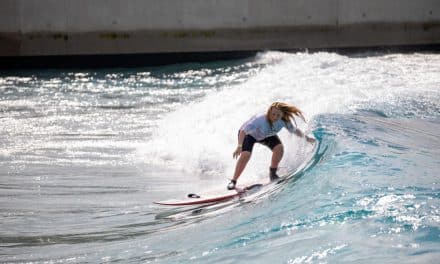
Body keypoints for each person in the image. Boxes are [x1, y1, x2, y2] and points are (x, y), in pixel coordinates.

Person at [227, 102, 315, 190]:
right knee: (246, 155)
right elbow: (243, 131)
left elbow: (294, 130)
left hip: (266, 136)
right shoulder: (260, 120)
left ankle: (273, 173)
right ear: (269, 112)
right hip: (249, 135)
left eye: (278, 115)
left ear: (282, 115)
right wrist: (239, 146)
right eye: (273, 114)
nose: (275, 117)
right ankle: (233, 181)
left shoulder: (284, 120)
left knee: (279, 148)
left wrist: (306, 138)